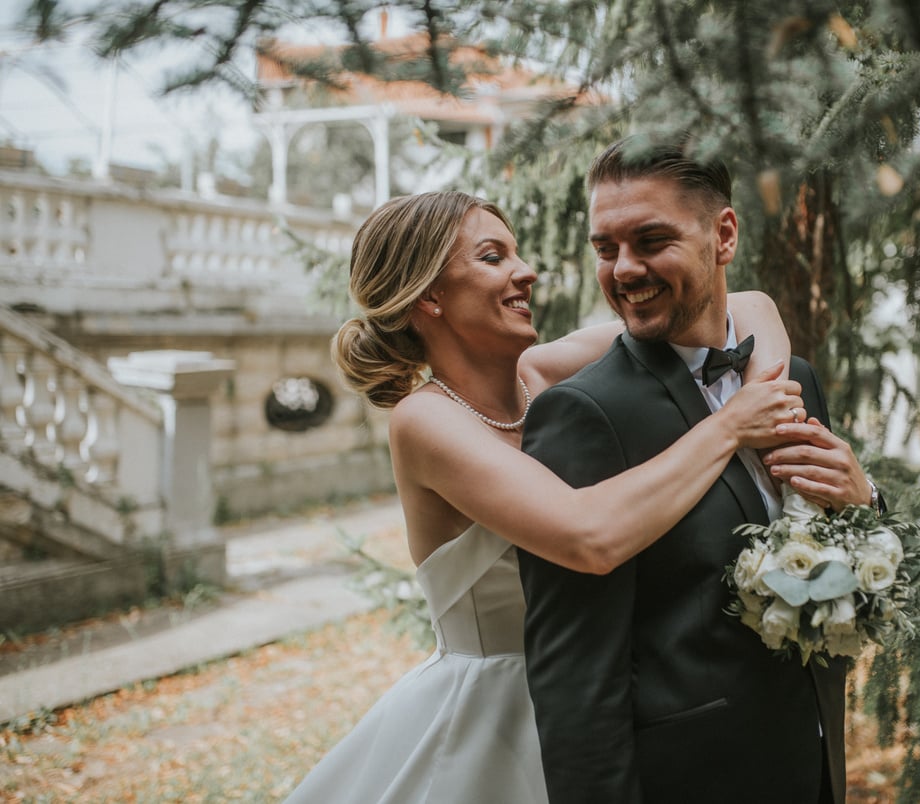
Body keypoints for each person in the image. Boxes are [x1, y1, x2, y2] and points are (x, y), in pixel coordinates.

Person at [284, 190, 810, 803]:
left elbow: (747, 304)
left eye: (516, 252)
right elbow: (589, 537)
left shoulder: (538, 374)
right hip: (499, 715)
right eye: (492, 257)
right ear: (430, 296)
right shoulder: (424, 421)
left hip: (609, 696)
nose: (525, 270)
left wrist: (762, 393)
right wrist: (730, 426)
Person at [518, 137, 880, 804]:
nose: (624, 269)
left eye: (650, 240)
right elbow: (575, 679)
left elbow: (846, 584)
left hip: (811, 764)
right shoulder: (584, 414)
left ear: (724, 235)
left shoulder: (792, 378)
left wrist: (862, 503)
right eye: (606, 248)